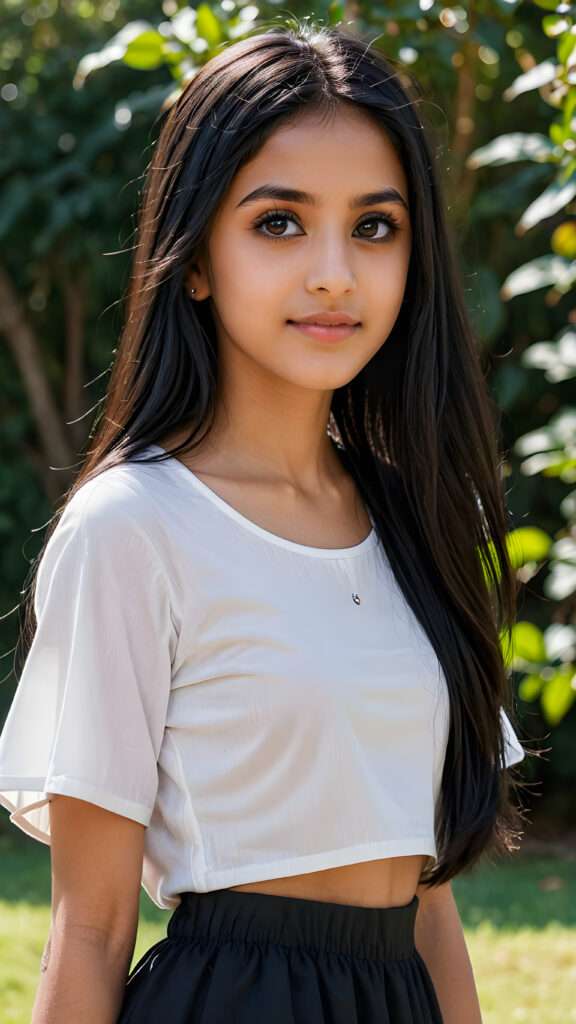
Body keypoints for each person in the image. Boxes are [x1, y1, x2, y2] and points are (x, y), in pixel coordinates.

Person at [0, 23, 529, 1024]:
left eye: (374, 226)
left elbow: (432, 902)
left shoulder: (422, 518)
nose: (334, 272)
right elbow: (92, 924)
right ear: (194, 258)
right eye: (279, 223)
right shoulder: (133, 528)